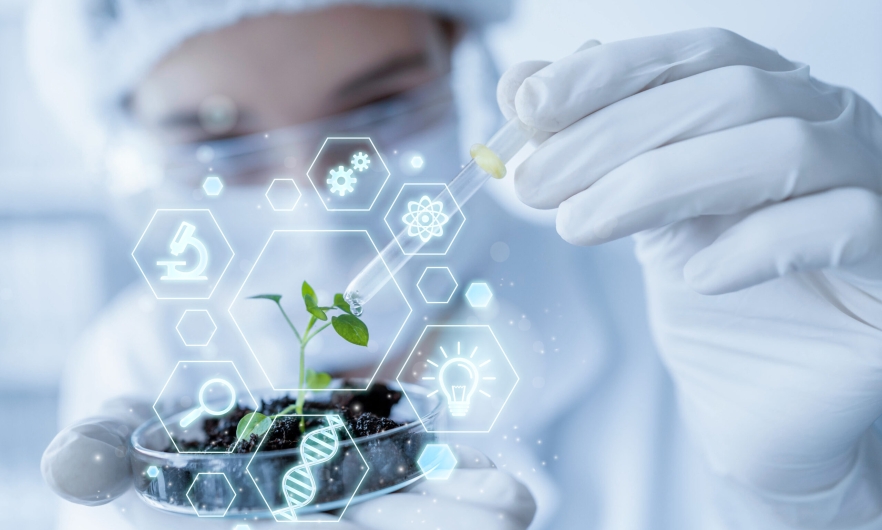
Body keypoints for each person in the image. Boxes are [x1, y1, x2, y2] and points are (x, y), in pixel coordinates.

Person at [30, 1, 882, 529]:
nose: (314, 189)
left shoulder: (715, 297)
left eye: (381, 105)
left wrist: (820, 503)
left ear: (462, 68)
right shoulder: (139, 366)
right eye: (216, 139)